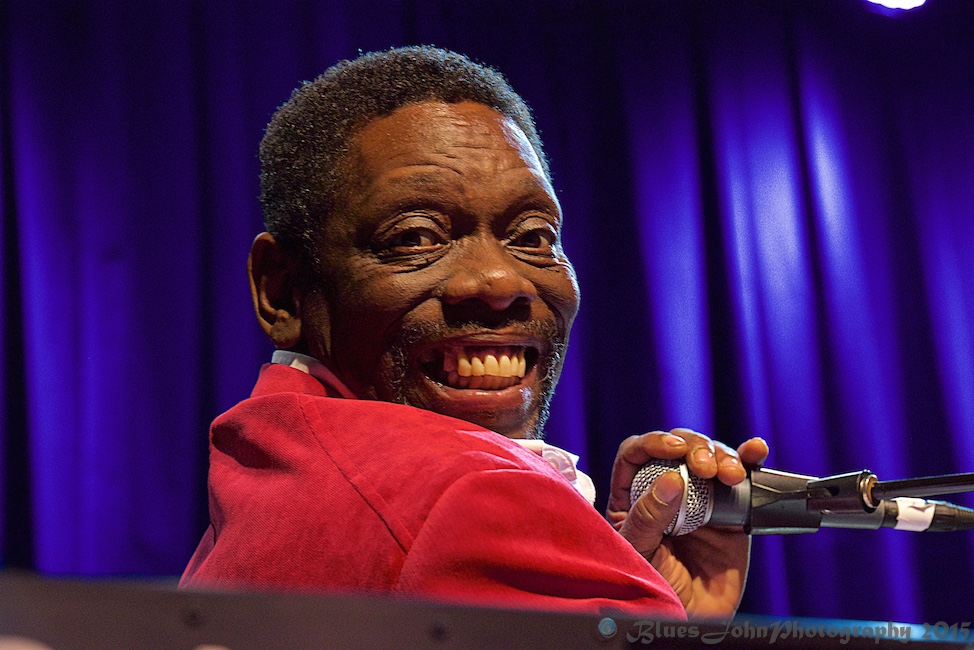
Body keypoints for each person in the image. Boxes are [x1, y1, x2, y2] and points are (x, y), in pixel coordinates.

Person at [180, 46, 768, 620]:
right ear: (283, 292)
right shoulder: (478, 496)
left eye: (533, 236)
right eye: (415, 237)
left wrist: (640, 600)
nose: (498, 281)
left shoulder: (267, 471)